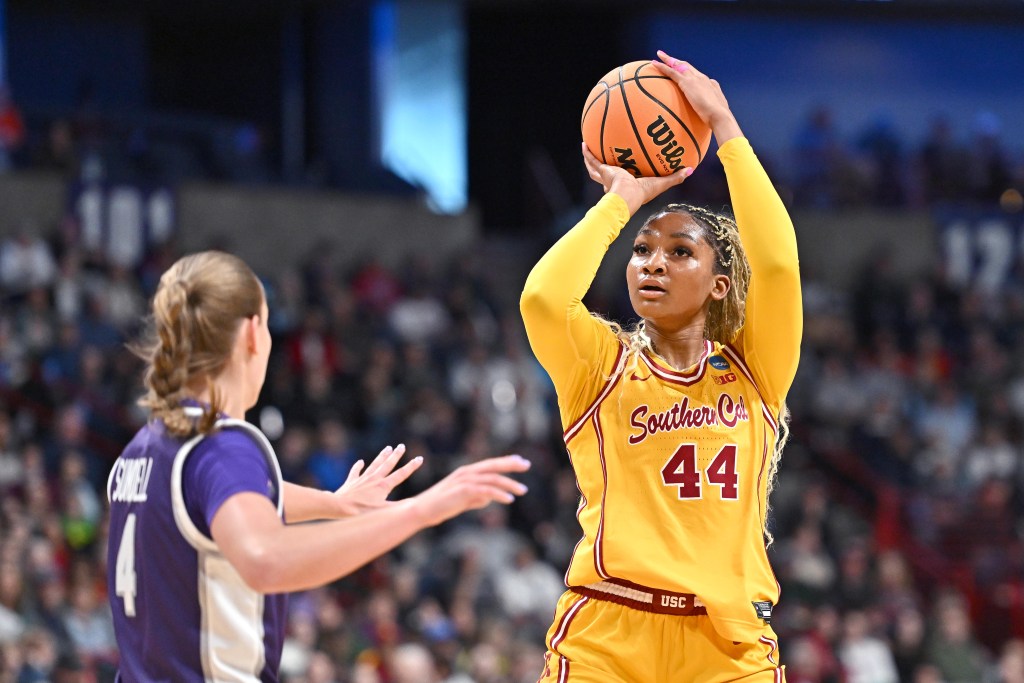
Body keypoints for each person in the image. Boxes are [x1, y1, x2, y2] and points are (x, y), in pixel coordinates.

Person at [106, 251, 530, 682]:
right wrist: (420, 510)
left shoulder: (146, 448)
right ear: (254, 333)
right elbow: (264, 558)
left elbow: (226, 500)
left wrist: (334, 502)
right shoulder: (222, 445)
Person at [521, 51, 801, 682]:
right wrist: (620, 202)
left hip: (727, 644)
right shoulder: (600, 364)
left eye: (680, 252)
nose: (652, 262)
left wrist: (725, 127)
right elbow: (542, 298)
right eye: (642, 251)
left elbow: (779, 267)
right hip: (610, 633)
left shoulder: (756, 368)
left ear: (720, 285)